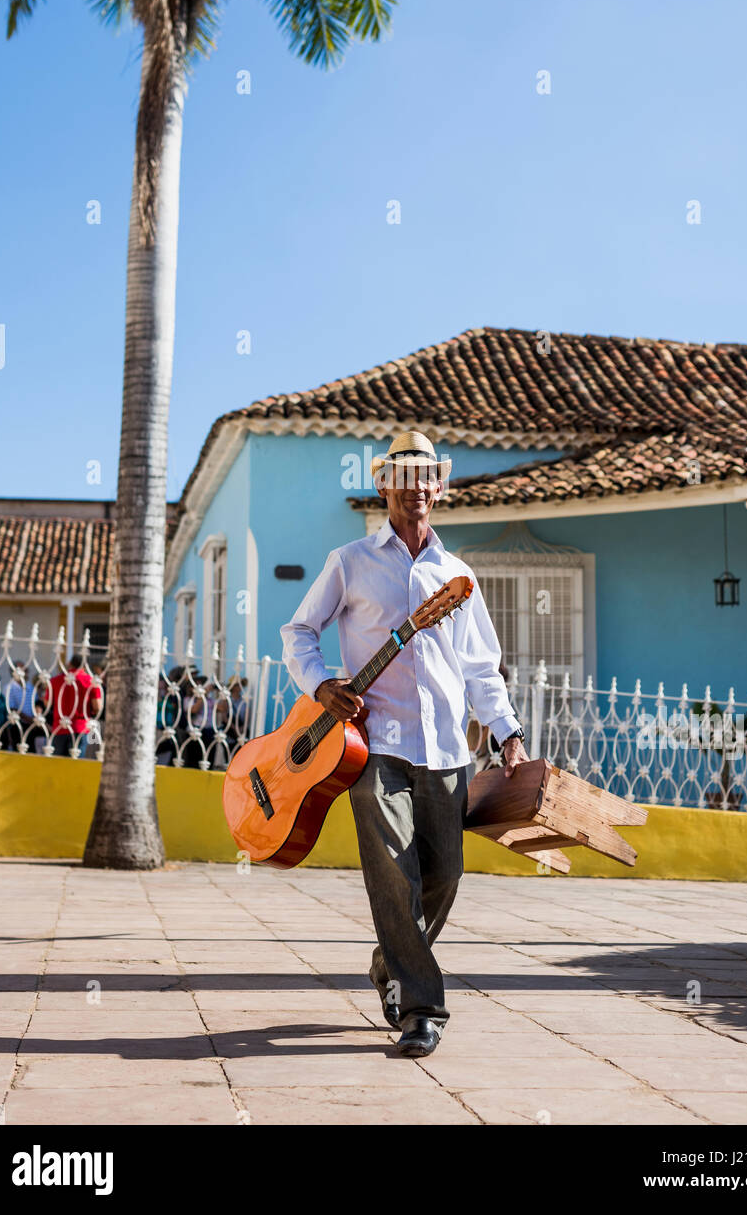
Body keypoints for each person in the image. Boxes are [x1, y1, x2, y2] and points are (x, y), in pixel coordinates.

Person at [281, 429, 528, 1059]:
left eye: (426, 478)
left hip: (448, 747)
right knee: (394, 870)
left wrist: (509, 736)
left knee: (444, 875)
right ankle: (422, 1007)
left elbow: (481, 669)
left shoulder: (457, 574)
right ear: (383, 485)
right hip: (372, 746)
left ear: (440, 488)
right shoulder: (350, 561)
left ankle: (389, 962)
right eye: (403, 478)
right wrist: (322, 686)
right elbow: (298, 632)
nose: (415, 489)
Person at [48, 655, 103, 758]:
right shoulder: (91, 681)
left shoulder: (55, 680)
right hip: (80, 727)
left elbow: (48, 703)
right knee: (75, 763)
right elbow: (97, 706)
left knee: (57, 764)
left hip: (59, 727)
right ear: (85, 665)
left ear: (69, 663)